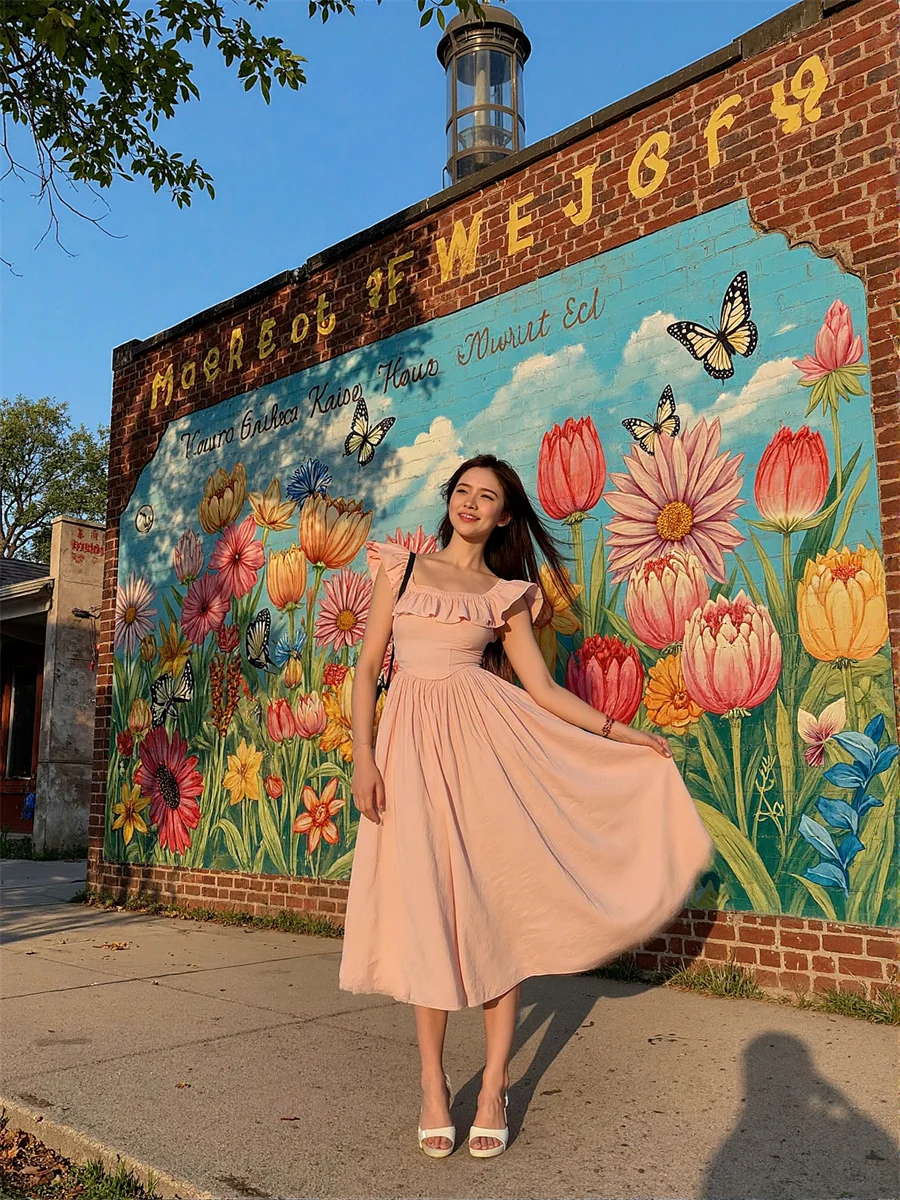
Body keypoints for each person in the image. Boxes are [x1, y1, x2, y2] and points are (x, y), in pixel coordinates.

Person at [338, 453, 713, 1159]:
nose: (472, 503)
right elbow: (366, 669)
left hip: (486, 759)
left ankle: (492, 1087)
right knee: (429, 914)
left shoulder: (504, 595)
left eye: (489, 496)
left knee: (494, 912)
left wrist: (625, 733)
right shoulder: (403, 569)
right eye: (464, 491)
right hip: (409, 760)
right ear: (450, 500)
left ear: (505, 515)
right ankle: (430, 1085)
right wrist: (363, 757)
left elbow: (541, 692)